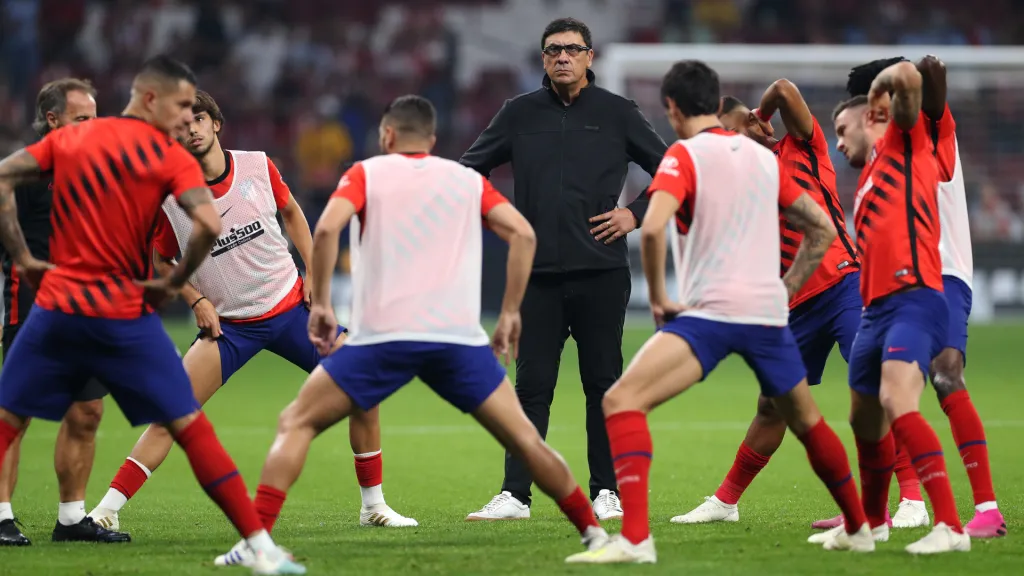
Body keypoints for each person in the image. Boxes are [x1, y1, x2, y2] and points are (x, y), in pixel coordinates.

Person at [212, 94, 611, 564]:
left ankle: (257, 544)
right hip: (456, 339)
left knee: (296, 422)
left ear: (386, 135)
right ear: (434, 140)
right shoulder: (465, 179)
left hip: (383, 338)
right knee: (525, 438)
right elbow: (523, 234)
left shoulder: (365, 174)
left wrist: (320, 301)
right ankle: (596, 536)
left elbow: (324, 231)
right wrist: (509, 313)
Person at [0, 55, 305, 574]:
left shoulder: (75, 138)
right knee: (188, 425)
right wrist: (171, 283)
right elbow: (207, 223)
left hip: (59, 303)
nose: (187, 118)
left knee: (9, 417)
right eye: (182, 105)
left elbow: (4, 176)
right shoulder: (166, 159)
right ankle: (260, 547)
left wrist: (24, 257)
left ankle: (72, 516)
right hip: (121, 312)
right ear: (151, 100)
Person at [566, 60, 873, 565]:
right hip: (768, 316)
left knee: (621, 402)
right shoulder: (764, 160)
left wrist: (662, 299)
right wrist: (785, 289)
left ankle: (636, 540)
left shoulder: (683, 156)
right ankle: (860, 527)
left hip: (710, 316)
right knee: (807, 420)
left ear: (671, 107)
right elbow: (820, 227)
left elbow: (654, 224)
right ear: (714, 103)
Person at [87, 90, 416, 545]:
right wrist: (195, 299)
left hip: (289, 309)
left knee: (363, 388)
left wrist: (313, 276)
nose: (192, 129)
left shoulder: (258, 165)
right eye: (181, 125)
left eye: (199, 118)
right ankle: (105, 513)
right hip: (228, 326)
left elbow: (293, 214)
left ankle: (374, 507)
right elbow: (162, 261)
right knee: (172, 413)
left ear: (216, 123)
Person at [460, 17, 667, 521]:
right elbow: (468, 171)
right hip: (536, 277)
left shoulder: (618, 113)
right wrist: (501, 217)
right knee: (531, 387)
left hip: (601, 272)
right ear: (543, 58)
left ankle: (607, 491)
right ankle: (515, 494)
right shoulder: (518, 113)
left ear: (590, 57)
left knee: (603, 384)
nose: (562, 58)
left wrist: (633, 214)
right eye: (553, 50)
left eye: (573, 49)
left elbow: (670, 169)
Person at [813, 56, 1004, 539]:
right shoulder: (877, 159)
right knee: (879, 395)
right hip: (890, 284)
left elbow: (916, 78)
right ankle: (882, 509)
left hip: (940, 270)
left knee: (942, 375)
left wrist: (897, 81)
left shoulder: (918, 130)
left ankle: (982, 508)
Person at [671, 80, 869, 525]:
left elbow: (784, 89)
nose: (725, 142)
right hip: (794, 306)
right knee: (773, 404)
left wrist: (761, 113)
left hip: (844, 286)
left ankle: (906, 501)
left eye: (730, 130)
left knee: (872, 385)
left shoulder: (802, 146)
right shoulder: (741, 179)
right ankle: (725, 502)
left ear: (753, 123)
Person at [0, 78, 130, 546]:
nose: (93, 127)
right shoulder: (22, 171)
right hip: (33, 307)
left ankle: (72, 519)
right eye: (83, 119)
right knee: (14, 413)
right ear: (52, 120)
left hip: (87, 310)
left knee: (87, 411)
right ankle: (0, 517)